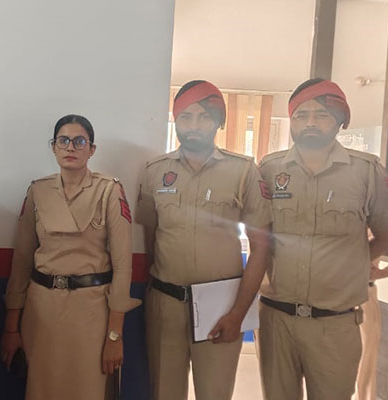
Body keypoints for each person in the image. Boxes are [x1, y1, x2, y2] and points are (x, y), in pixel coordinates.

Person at [258, 78, 388, 400]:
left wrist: (350, 264)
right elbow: (260, 238)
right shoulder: (269, 169)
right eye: (301, 115)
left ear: (339, 120)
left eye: (321, 114)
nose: (310, 122)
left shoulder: (366, 171)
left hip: (335, 324)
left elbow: (387, 236)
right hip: (276, 318)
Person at [136, 80, 272, 400]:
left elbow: (261, 247)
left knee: (215, 393)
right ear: (175, 121)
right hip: (165, 304)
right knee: (163, 393)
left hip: (220, 306)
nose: (193, 125)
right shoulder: (155, 171)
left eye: (203, 117)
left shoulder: (243, 171)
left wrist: (238, 313)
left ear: (218, 122)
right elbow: (151, 237)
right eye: (185, 117)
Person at [0, 114, 140, 399]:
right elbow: (21, 263)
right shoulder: (38, 191)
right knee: (42, 390)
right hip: (42, 309)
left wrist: (114, 335)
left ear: (92, 149)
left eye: (79, 141)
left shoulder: (108, 190)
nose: (70, 147)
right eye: (63, 141)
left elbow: (123, 266)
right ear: (53, 147)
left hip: (91, 311)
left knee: (87, 390)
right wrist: (11, 328)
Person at [356, 226, 388, 400]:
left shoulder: (384, 218)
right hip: (323, 299)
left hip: (361, 298)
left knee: (363, 368)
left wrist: (381, 273)